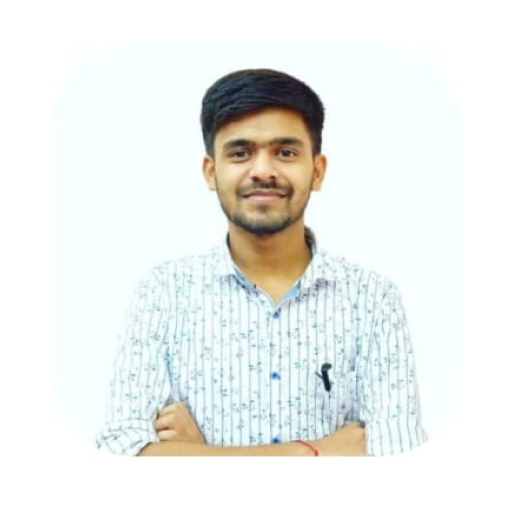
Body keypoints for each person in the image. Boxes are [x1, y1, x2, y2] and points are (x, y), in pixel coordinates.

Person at [96, 68, 428, 456]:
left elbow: (399, 458)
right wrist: (311, 452)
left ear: (317, 171)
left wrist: (197, 456)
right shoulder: (164, 293)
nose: (263, 171)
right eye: (240, 153)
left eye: (285, 153)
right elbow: (121, 452)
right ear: (211, 172)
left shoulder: (371, 299)